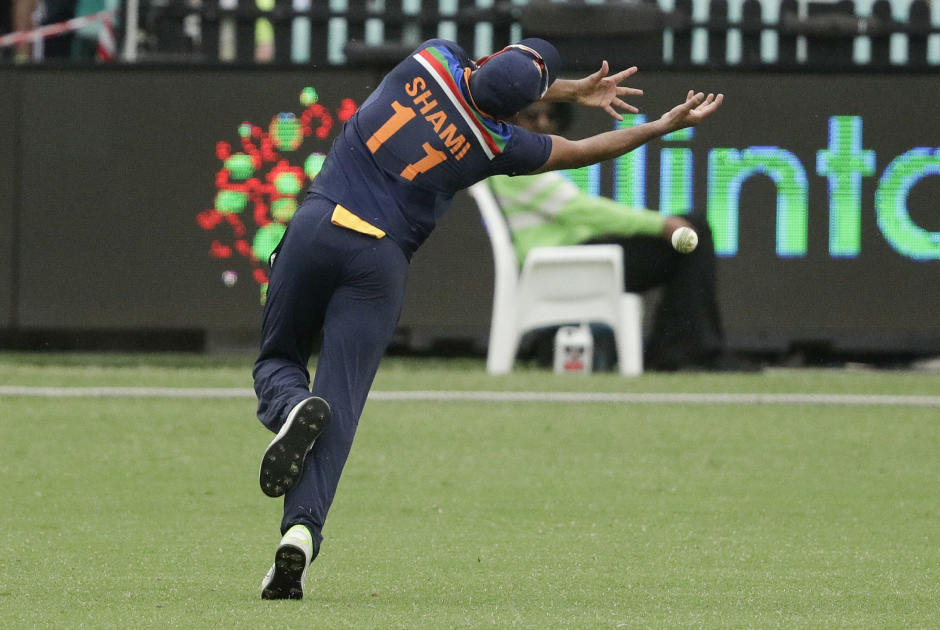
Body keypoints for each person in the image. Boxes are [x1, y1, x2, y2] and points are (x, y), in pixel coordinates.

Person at [252, 36, 723, 600]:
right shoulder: (496, 144)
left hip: (318, 225)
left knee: (280, 360)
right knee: (343, 405)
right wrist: (657, 127)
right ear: (518, 110)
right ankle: (300, 537)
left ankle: (289, 404)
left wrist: (569, 86)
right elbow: (585, 150)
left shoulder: (428, 58)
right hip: (378, 263)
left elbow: (486, 74)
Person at [489, 100, 746, 372]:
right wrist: (661, 224)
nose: (543, 124)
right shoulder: (515, 163)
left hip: (571, 260)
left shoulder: (519, 159)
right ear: (510, 119)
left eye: (550, 117)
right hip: (564, 267)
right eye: (531, 116)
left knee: (693, 232)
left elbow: (578, 216)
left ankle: (681, 351)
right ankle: (686, 352)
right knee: (694, 229)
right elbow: (583, 211)